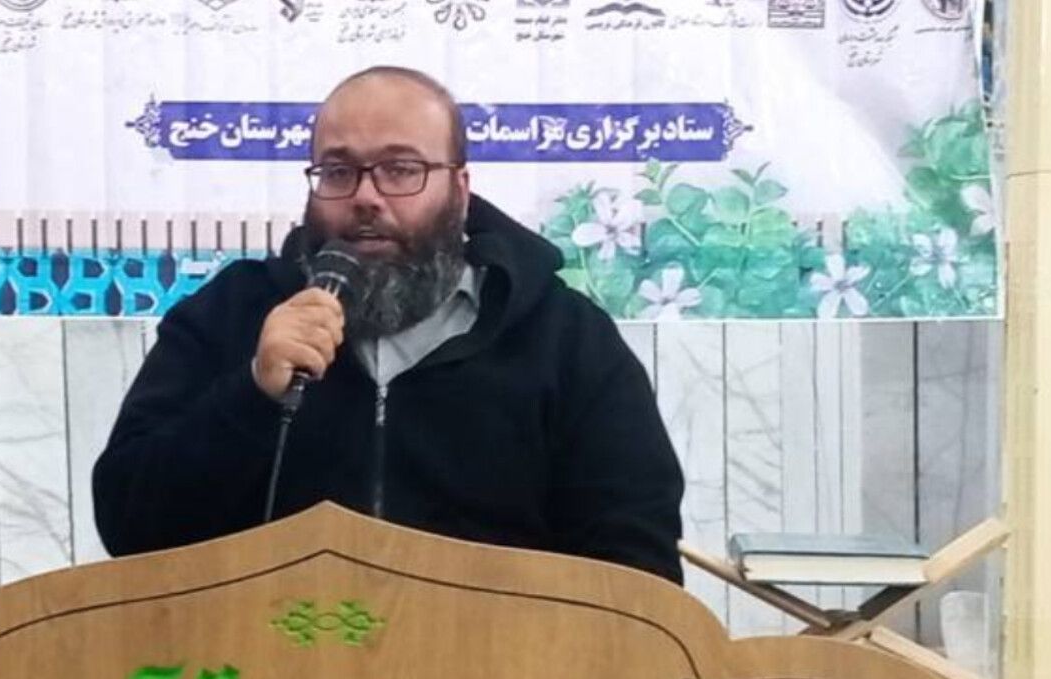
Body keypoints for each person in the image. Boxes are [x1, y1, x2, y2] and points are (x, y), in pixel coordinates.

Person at [92, 66, 686, 582]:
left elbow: (635, 565)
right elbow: (129, 528)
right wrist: (250, 397)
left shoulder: (564, 338)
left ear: (460, 188)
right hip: (258, 669)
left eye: (401, 170)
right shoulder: (231, 314)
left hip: (500, 673)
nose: (367, 197)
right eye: (338, 171)